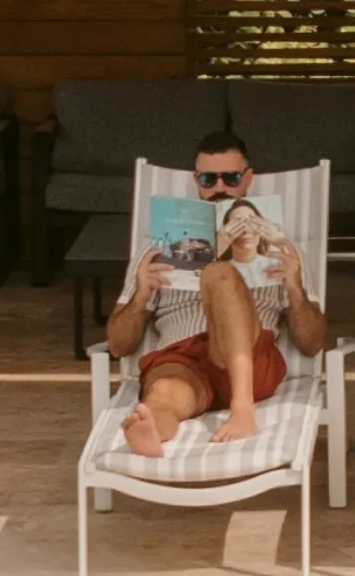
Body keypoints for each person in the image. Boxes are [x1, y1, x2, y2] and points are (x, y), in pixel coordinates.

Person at [108, 131, 326, 457]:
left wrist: (294, 288)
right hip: (182, 358)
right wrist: (140, 296)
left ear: (248, 179)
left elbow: (311, 344)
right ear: (196, 179)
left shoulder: (282, 251)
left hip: (250, 361)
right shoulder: (158, 249)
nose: (219, 188)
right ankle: (152, 431)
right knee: (163, 394)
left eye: (231, 178)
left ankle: (242, 411)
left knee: (220, 273)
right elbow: (117, 345)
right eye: (209, 179)